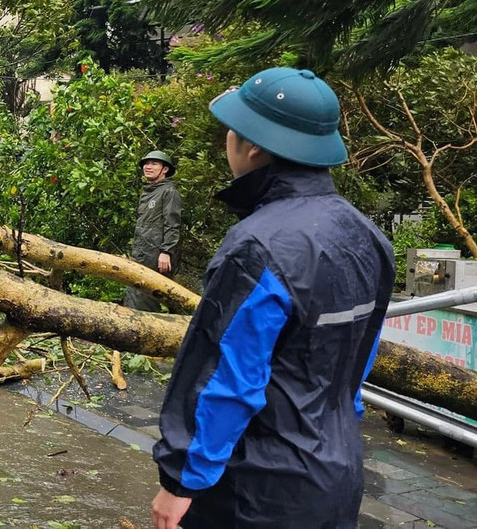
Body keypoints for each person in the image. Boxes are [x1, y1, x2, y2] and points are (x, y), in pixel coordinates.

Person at [150, 68, 394, 529]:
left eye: (231, 129)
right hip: (336, 475)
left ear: (254, 146)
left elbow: (226, 378)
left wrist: (181, 480)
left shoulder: (257, 247)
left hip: (256, 489)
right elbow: (358, 362)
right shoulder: (368, 238)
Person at [124, 150, 183, 311]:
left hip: (157, 255)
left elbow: (172, 224)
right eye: (146, 163)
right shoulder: (149, 192)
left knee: (148, 299)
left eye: (154, 163)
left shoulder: (169, 192)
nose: (148, 167)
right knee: (135, 294)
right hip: (141, 252)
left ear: (165, 169)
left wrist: (166, 251)